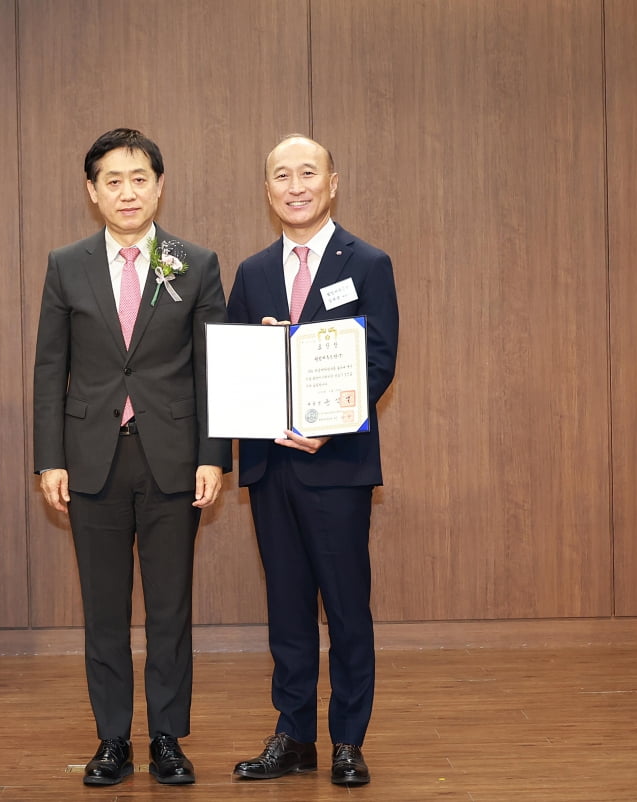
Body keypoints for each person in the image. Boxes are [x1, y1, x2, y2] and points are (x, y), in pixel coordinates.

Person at [32, 128, 230, 786]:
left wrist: (214, 455)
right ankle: (112, 738)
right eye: (112, 180)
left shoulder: (196, 263)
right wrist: (49, 459)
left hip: (173, 458)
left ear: (160, 185)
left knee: (171, 606)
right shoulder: (66, 264)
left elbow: (212, 370)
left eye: (139, 177)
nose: (127, 191)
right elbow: (48, 371)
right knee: (104, 608)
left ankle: (168, 737)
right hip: (91, 460)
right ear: (92, 192)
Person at [227, 135, 399, 787]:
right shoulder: (252, 272)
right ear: (268, 191)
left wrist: (325, 425)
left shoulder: (369, 263)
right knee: (288, 607)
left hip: (338, 465)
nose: (295, 185)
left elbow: (379, 357)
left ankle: (349, 740)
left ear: (332, 183)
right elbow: (239, 367)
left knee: (347, 606)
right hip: (272, 467)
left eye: (307, 173)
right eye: (281, 175)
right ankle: (293, 735)